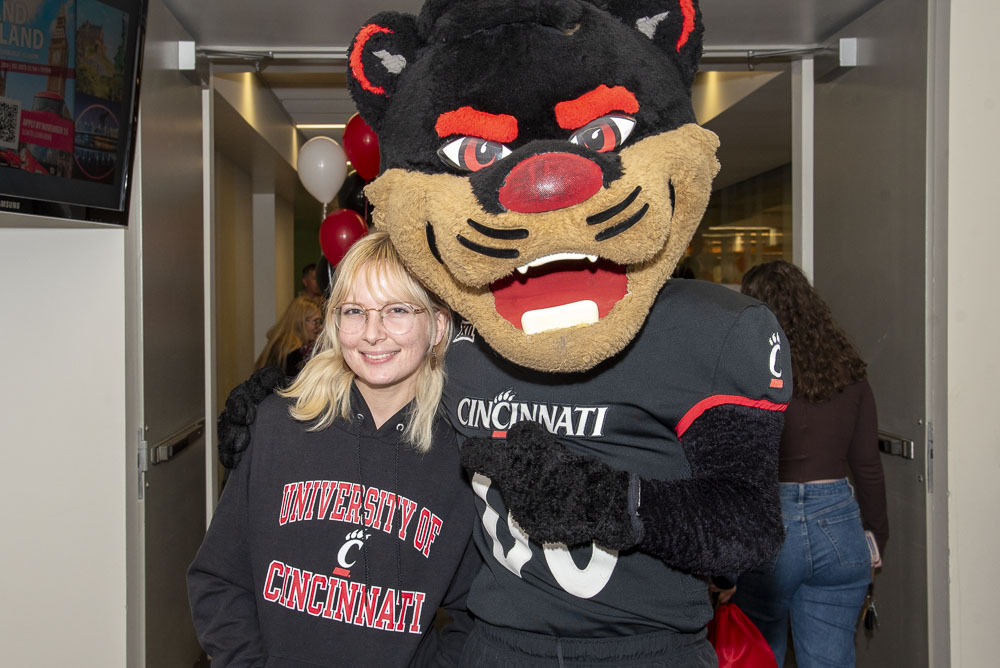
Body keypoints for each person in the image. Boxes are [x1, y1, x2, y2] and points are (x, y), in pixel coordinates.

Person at [188, 231, 480, 667]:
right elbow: (219, 578)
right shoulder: (276, 425)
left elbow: (475, 617)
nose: (372, 334)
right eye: (355, 312)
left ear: (438, 326)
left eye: (397, 310)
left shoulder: (462, 456)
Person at [733, 260, 888, 667]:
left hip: (769, 527)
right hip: (839, 526)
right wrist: (876, 538)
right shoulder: (849, 373)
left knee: (759, 655)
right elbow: (868, 466)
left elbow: (734, 462)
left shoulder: (747, 374)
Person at [254, 295, 323, 377]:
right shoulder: (293, 353)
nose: (320, 327)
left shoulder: (282, 345)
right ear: (299, 322)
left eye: (320, 321)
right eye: (315, 322)